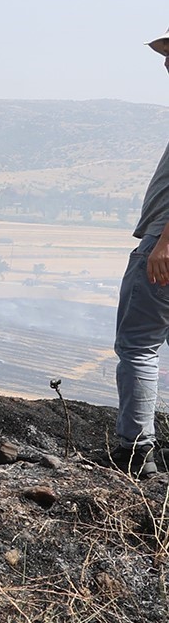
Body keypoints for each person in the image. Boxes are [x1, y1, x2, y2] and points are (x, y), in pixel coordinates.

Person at [111, 27, 169, 476]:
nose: (166, 62)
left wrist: (165, 243)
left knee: (138, 345)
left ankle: (136, 452)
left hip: (164, 243)